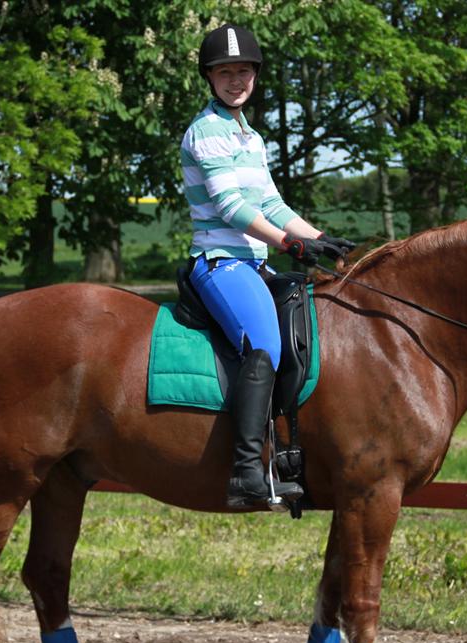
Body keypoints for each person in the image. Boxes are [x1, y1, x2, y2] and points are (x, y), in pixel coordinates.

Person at [181, 23, 355, 509]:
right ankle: (245, 473)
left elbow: (272, 203)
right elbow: (231, 206)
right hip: (221, 261)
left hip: (254, 263)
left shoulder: (249, 136)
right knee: (266, 343)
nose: (235, 80)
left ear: (255, 75)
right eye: (225, 72)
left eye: (244, 71)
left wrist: (318, 238)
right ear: (210, 77)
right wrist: (288, 244)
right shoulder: (208, 131)